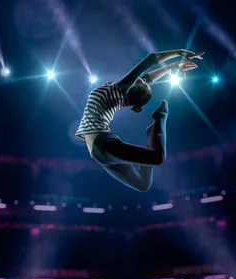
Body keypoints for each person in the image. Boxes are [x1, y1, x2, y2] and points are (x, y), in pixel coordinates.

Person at [75, 49, 203, 192]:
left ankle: (161, 116)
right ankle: (152, 135)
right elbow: (148, 78)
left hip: (102, 144)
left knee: (157, 158)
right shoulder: (121, 93)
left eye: (141, 81)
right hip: (99, 151)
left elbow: (149, 61)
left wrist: (179, 52)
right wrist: (171, 68)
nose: (142, 78)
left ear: (132, 88)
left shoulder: (118, 89)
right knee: (143, 185)